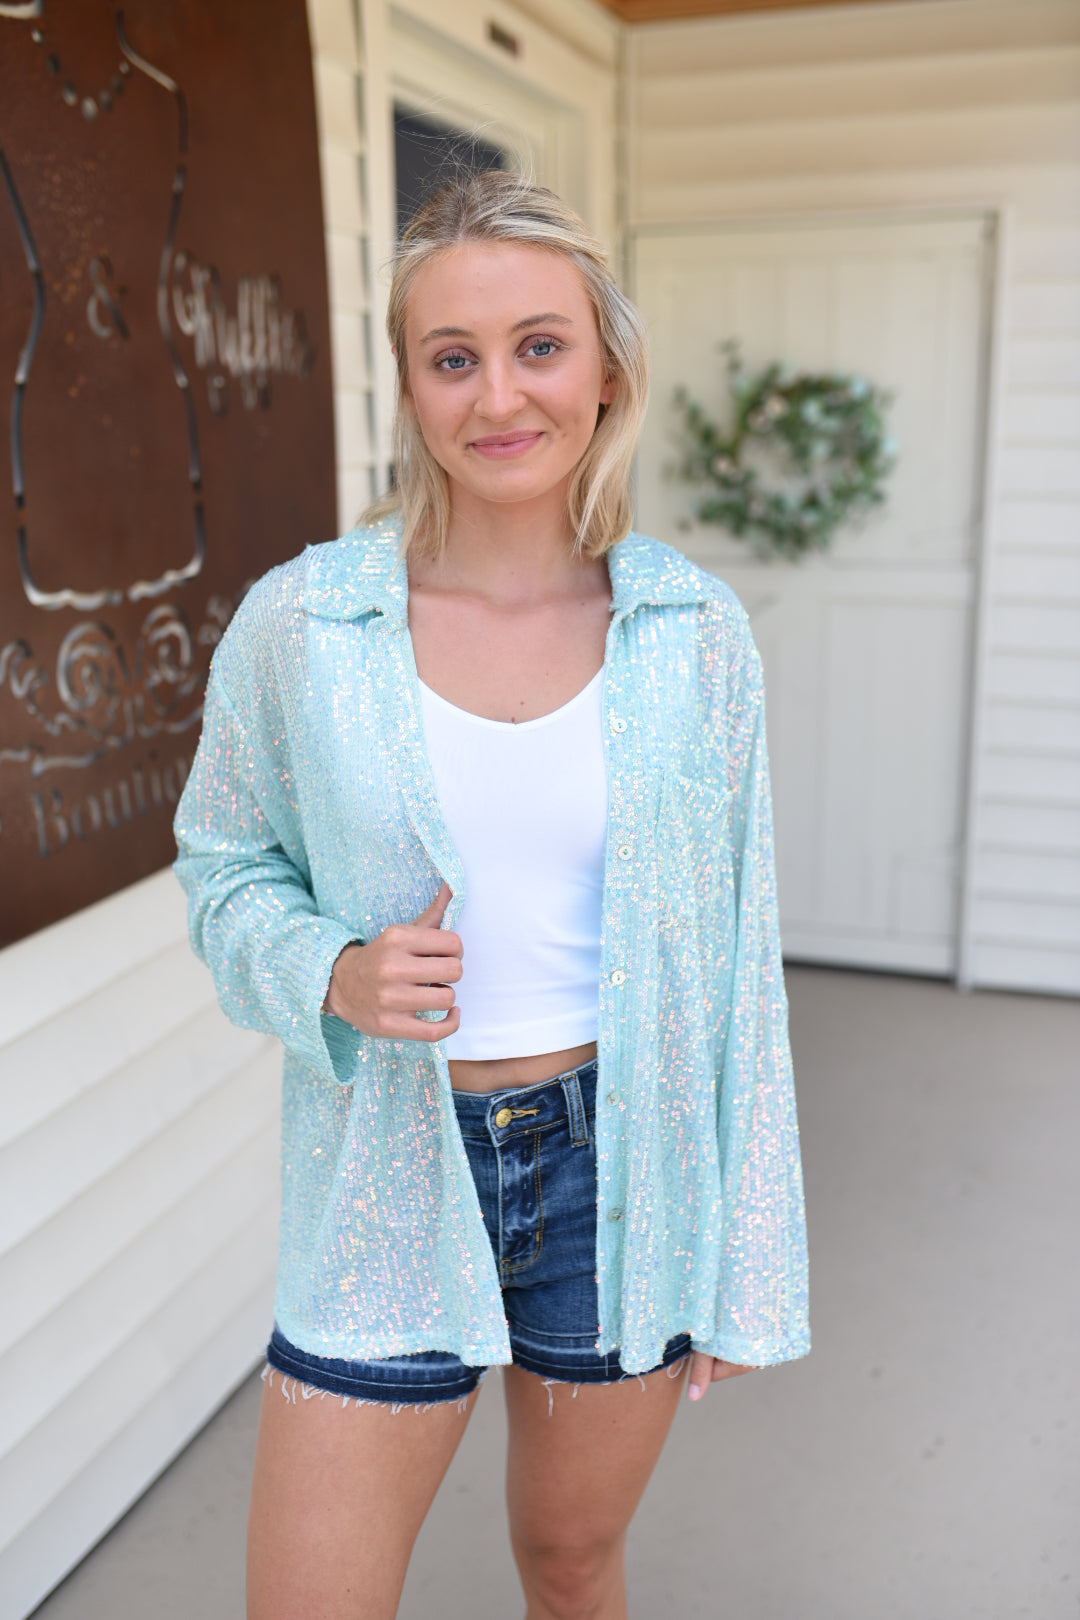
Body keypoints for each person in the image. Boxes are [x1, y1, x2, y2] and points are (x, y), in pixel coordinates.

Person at [173, 170, 809, 1620]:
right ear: (410, 386)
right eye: (453, 357)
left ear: (605, 369)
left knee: (573, 1563)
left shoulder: (691, 633)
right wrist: (330, 969)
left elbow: (739, 960)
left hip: (621, 1165)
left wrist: (747, 1249)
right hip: (387, 1165)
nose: (500, 395)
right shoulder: (305, 623)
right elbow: (223, 861)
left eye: (540, 346)